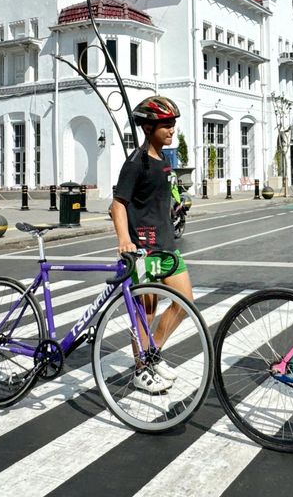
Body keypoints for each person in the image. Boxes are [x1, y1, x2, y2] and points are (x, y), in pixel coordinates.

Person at [111, 95, 194, 394]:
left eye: (172, 125)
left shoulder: (163, 159)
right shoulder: (136, 163)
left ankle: (151, 355)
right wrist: (124, 240)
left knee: (185, 302)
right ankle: (140, 369)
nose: (172, 130)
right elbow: (117, 205)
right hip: (144, 247)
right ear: (148, 128)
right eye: (166, 125)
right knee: (145, 314)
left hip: (167, 244)